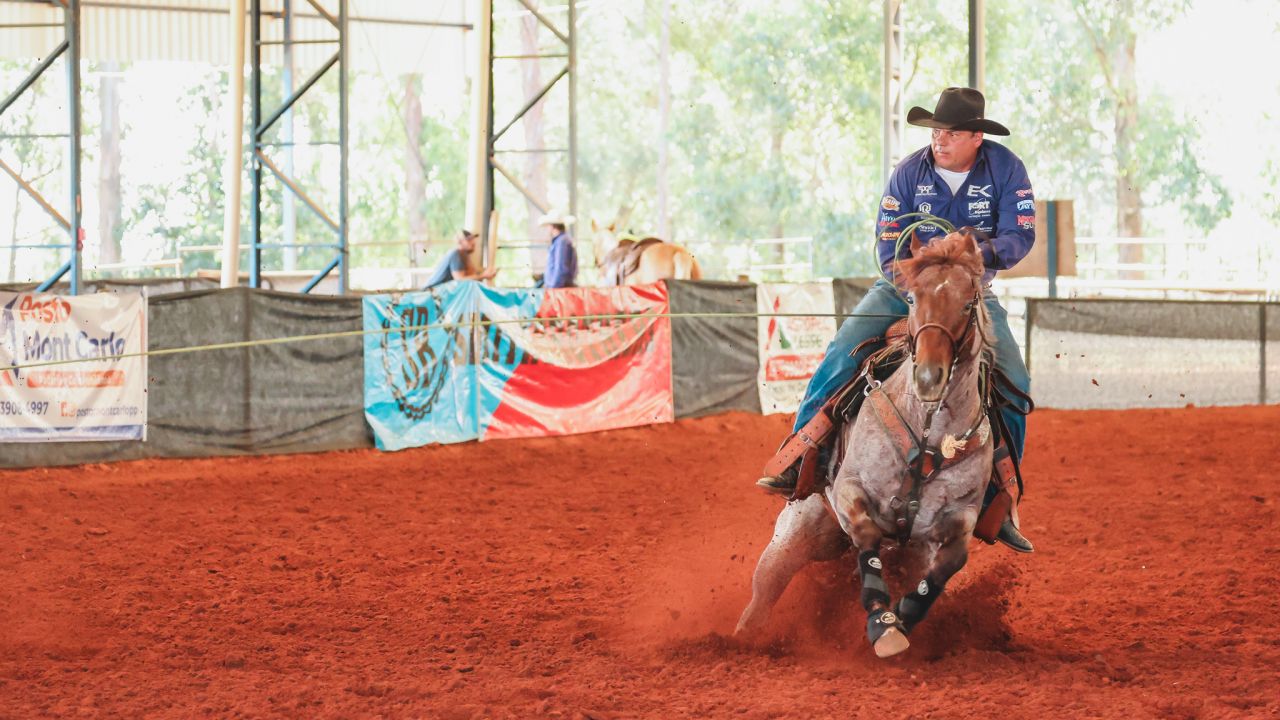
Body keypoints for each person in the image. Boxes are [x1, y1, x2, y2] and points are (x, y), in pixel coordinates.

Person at [756, 87, 1037, 554]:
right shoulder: (909, 172)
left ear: (975, 138)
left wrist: (970, 260)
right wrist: (919, 285)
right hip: (905, 288)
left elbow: (1019, 235)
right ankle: (800, 453)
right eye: (936, 131)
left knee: (1014, 377)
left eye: (950, 133)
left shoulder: (1006, 169)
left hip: (971, 291)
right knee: (845, 348)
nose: (939, 140)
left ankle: (999, 495)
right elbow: (888, 244)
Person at [422, 229, 497, 289]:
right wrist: (483, 275)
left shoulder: (465, 256)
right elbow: (460, 280)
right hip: (431, 293)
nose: (473, 242)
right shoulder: (456, 254)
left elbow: (471, 277)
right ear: (460, 242)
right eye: (469, 240)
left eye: (473, 239)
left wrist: (485, 274)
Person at [535, 211, 578, 289]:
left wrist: (553, 287)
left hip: (558, 288)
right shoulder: (562, 240)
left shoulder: (562, 242)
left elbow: (561, 267)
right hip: (559, 286)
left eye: (548, 226)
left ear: (552, 226)